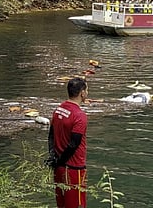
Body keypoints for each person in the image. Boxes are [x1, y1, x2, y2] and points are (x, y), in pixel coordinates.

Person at [48, 77, 89, 208]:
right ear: (82, 92)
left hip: (58, 167)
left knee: (62, 204)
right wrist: (61, 161)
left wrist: (53, 158)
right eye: (87, 90)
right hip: (74, 168)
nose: (87, 93)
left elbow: (51, 136)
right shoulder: (79, 115)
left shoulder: (58, 110)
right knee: (77, 205)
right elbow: (74, 143)